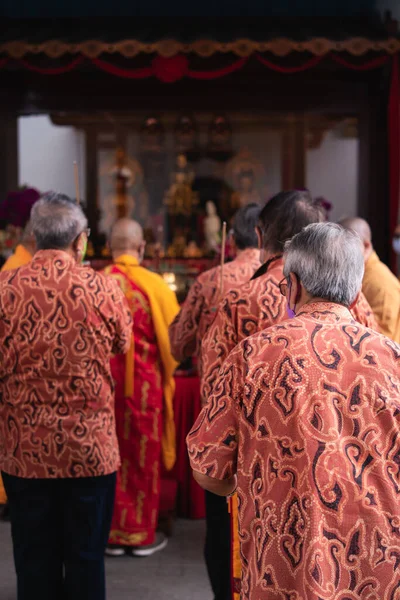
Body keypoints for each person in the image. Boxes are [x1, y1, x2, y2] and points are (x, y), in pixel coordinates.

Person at [188, 222, 400, 599]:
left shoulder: (252, 356)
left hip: (280, 567)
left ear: (294, 285)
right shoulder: (392, 359)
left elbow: (208, 467)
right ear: (355, 291)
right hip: (376, 566)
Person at [0, 193, 132, 600]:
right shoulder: (103, 288)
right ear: (81, 241)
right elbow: (122, 343)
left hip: (24, 450)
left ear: (35, 237)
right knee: (86, 558)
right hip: (89, 451)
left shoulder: (5, 287)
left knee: (33, 559)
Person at [169, 203, 261, 600]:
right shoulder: (295, 282)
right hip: (282, 430)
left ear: (232, 237)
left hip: (225, 429)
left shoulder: (213, 282)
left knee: (222, 533)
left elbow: (179, 345)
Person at [104, 218, 180, 557]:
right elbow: (177, 345)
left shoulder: (96, 283)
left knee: (108, 457)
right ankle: (139, 533)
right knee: (141, 457)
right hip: (144, 389)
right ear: (142, 248)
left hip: (103, 388)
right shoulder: (157, 286)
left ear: (108, 248)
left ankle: (109, 532)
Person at [340, 216, 400, 342]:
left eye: (347, 248)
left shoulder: (380, 282)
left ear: (366, 246)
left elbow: (385, 340)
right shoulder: (357, 274)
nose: (341, 254)